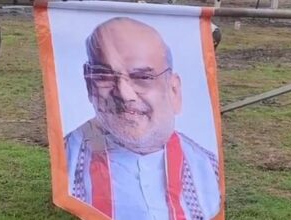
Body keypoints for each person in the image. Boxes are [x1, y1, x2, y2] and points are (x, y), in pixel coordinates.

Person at [65, 17, 221, 220]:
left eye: (142, 77)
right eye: (104, 75)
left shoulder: (207, 168)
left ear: (174, 90)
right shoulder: (66, 159)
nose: (124, 94)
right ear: (89, 83)